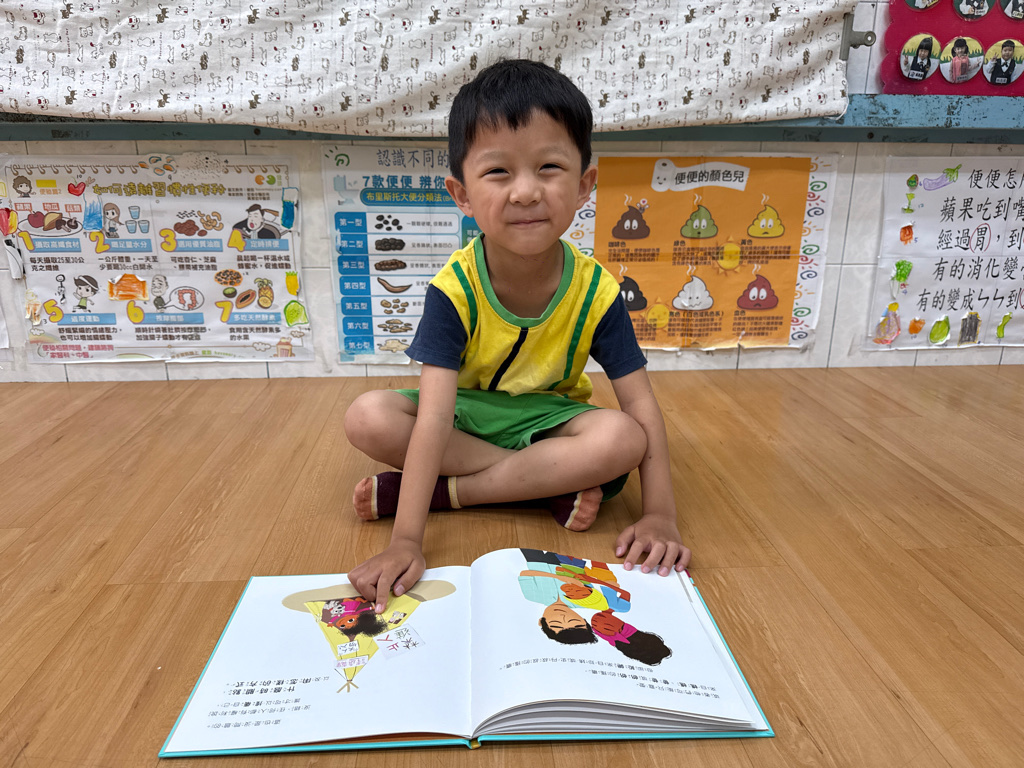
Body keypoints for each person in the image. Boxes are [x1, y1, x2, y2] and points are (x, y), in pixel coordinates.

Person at [344, 59, 691, 613]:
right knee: (367, 415)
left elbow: (640, 404)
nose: (526, 192)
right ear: (462, 194)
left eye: (549, 167)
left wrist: (660, 515)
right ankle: (544, 485)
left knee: (623, 438)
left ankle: (450, 493)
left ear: (584, 185)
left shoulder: (597, 291)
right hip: (467, 417)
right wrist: (406, 540)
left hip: (551, 421)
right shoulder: (454, 289)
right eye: (498, 172)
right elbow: (434, 416)